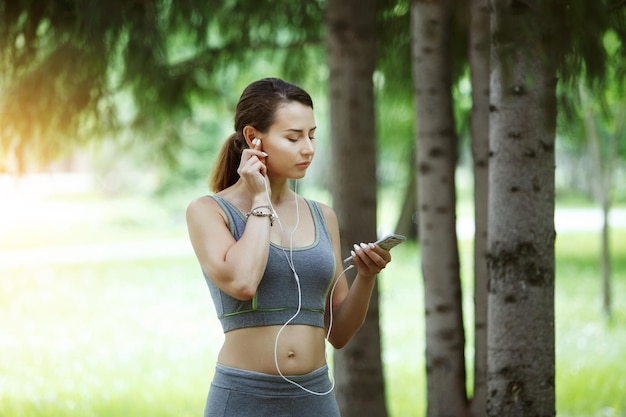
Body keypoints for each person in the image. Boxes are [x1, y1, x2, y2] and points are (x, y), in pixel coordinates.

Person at [186, 77, 393, 417]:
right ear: (254, 138)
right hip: (244, 398)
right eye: (293, 137)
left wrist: (367, 277)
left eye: (312, 135)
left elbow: (338, 333)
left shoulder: (322, 215)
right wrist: (259, 198)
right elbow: (242, 282)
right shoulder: (209, 212)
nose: (308, 148)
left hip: (316, 398)